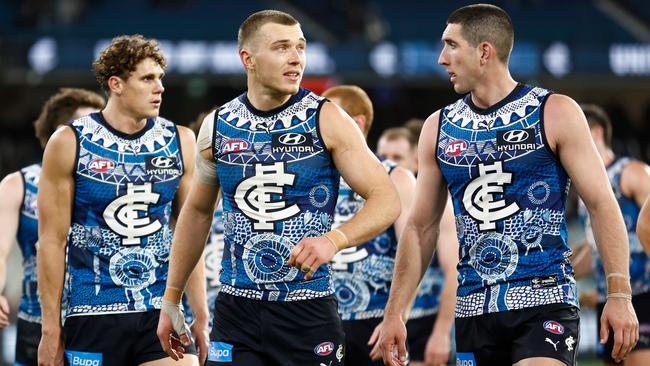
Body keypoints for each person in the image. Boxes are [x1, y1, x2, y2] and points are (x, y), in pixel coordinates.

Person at [379, 4, 638, 366]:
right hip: (472, 310)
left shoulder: (555, 111)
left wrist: (619, 294)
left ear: (484, 51)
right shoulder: (437, 127)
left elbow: (601, 204)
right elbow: (421, 227)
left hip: (544, 301)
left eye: (451, 45)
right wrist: (395, 313)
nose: (441, 58)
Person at [156, 10, 400, 366]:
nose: (296, 58)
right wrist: (171, 298)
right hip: (235, 311)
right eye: (282, 47)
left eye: (300, 47)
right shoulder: (217, 125)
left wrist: (334, 240)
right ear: (248, 59)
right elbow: (197, 212)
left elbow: (386, 197)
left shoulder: (328, 118)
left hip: (307, 311)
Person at [37, 34, 209, 366]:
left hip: (162, 307)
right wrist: (50, 328)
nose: (159, 87)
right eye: (147, 79)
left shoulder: (181, 141)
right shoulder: (69, 141)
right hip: (93, 309)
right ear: (115, 84)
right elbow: (51, 241)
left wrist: (200, 313)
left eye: (160, 78)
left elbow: (190, 231)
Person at [0, 88, 105, 366]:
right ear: (62, 132)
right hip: (36, 319)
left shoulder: (113, 183)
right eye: (92, 126)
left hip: (100, 318)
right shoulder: (18, 184)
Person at [320, 85, 416, 365]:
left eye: (329, 115)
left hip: (372, 321)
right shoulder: (314, 175)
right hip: (317, 317)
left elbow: (411, 249)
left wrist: (397, 316)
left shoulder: (396, 177)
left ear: (357, 122)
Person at [574, 104, 650, 366]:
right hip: (610, 301)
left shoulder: (631, 172)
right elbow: (600, 248)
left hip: (643, 295)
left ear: (595, 134)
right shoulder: (588, 190)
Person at [376, 128, 459, 366]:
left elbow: (454, 271)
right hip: (382, 318)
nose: (388, 164)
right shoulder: (376, 206)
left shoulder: (440, 209)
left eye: (397, 157)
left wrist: (441, 333)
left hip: (424, 319)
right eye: (382, 156)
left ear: (415, 161)